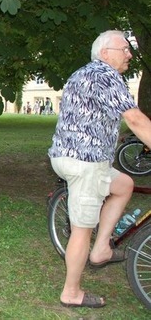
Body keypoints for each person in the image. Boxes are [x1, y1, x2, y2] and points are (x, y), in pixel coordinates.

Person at [48, 30, 151, 308]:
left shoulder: (83, 73)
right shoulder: (106, 76)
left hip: (73, 156)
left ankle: (102, 248)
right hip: (85, 163)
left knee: (124, 185)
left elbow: (87, 114)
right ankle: (71, 292)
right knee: (82, 229)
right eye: (124, 49)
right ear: (105, 53)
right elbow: (135, 119)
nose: (129, 54)